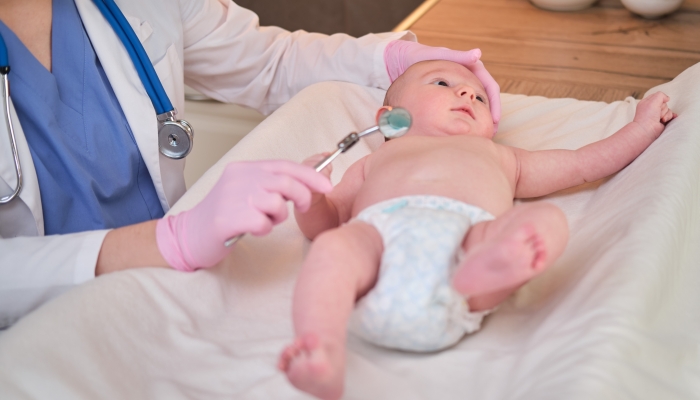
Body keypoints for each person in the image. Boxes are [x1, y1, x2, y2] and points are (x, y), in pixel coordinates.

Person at [0, 0, 503, 328]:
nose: (462, 95)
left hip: (173, 296)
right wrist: (163, 242)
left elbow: (269, 62)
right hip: (32, 332)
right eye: (443, 86)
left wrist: (393, 64)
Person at [277, 59, 677, 399]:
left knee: (543, 223)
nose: (468, 94)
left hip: (469, 239)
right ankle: (322, 347)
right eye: (442, 83)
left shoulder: (502, 158)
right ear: (390, 119)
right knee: (336, 248)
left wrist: (640, 129)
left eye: (480, 97)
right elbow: (325, 225)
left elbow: (583, 163)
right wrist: (311, 199)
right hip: (379, 241)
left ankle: (490, 267)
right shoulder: (376, 160)